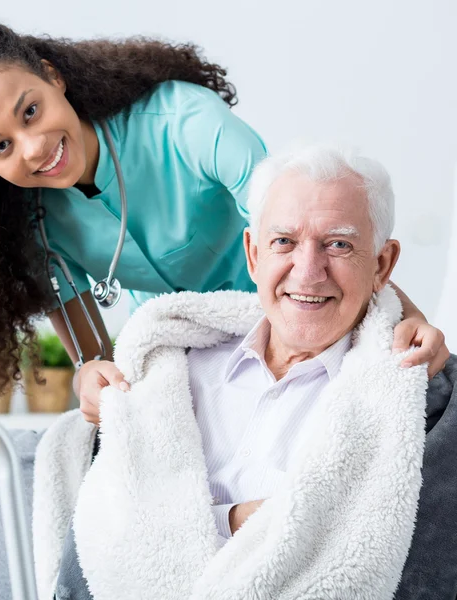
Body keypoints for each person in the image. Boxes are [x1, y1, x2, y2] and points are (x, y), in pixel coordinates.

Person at [0, 18, 448, 410]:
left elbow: (305, 233)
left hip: (297, 324)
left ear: (53, 78)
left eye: (30, 111)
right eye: (0, 147)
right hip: (187, 360)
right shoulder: (30, 223)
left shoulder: (186, 123)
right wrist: (94, 378)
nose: (33, 147)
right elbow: (91, 348)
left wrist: (410, 320)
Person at [33, 144, 457, 600]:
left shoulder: (409, 397)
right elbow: (116, 518)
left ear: (382, 265)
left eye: (339, 244)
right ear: (254, 255)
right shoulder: (168, 365)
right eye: (284, 242)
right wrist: (238, 520)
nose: (309, 271)